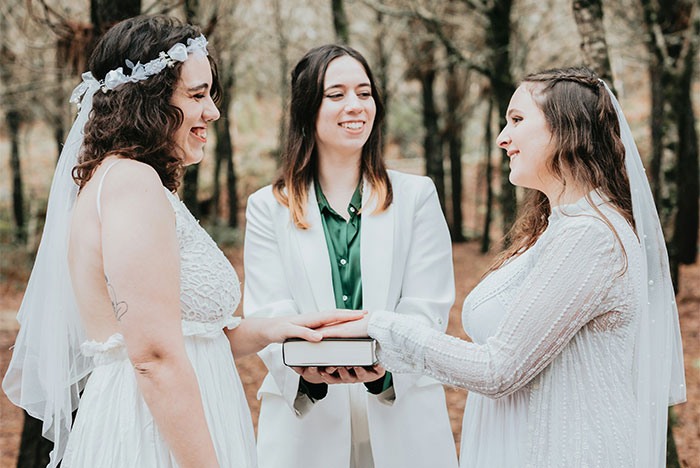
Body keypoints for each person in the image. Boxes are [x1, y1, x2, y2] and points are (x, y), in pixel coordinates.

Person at [2, 16, 361, 468]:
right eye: (196, 95)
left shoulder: (133, 183)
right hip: (154, 435)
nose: (212, 111)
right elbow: (154, 356)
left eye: (210, 94)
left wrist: (279, 328)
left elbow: (188, 335)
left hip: (181, 418)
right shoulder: (131, 184)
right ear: (147, 103)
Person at [321, 67, 686, 467]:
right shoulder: (563, 230)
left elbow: (497, 370)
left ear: (566, 130)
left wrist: (379, 326)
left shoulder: (590, 238)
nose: (502, 138)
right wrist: (383, 353)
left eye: (516, 120)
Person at [243, 44, 458, 468]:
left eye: (365, 92)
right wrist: (307, 370)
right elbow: (269, 309)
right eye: (336, 94)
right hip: (306, 424)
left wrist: (384, 370)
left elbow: (427, 305)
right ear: (307, 108)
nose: (355, 106)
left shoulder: (417, 196)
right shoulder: (268, 206)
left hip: (403, 413)